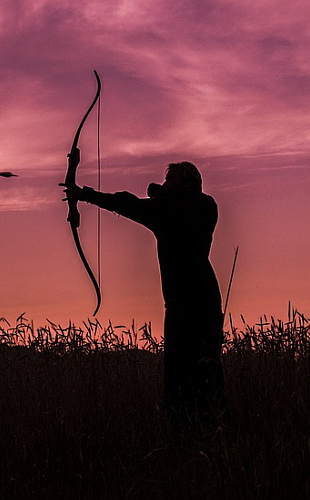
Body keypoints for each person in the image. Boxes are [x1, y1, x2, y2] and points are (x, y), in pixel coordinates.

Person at [63, 153, 227, 431]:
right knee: (194, 369)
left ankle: (198, 426)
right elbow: (130, 204)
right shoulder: (191, 207)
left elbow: (138, 205)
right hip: (197, 302)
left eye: (170, 181)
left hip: (190, 305)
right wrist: (84, 194)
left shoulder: (192, 208)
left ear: (187, 185)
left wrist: (84, 194)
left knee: (193, 370)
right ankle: (199, 427)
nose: (165, 184)